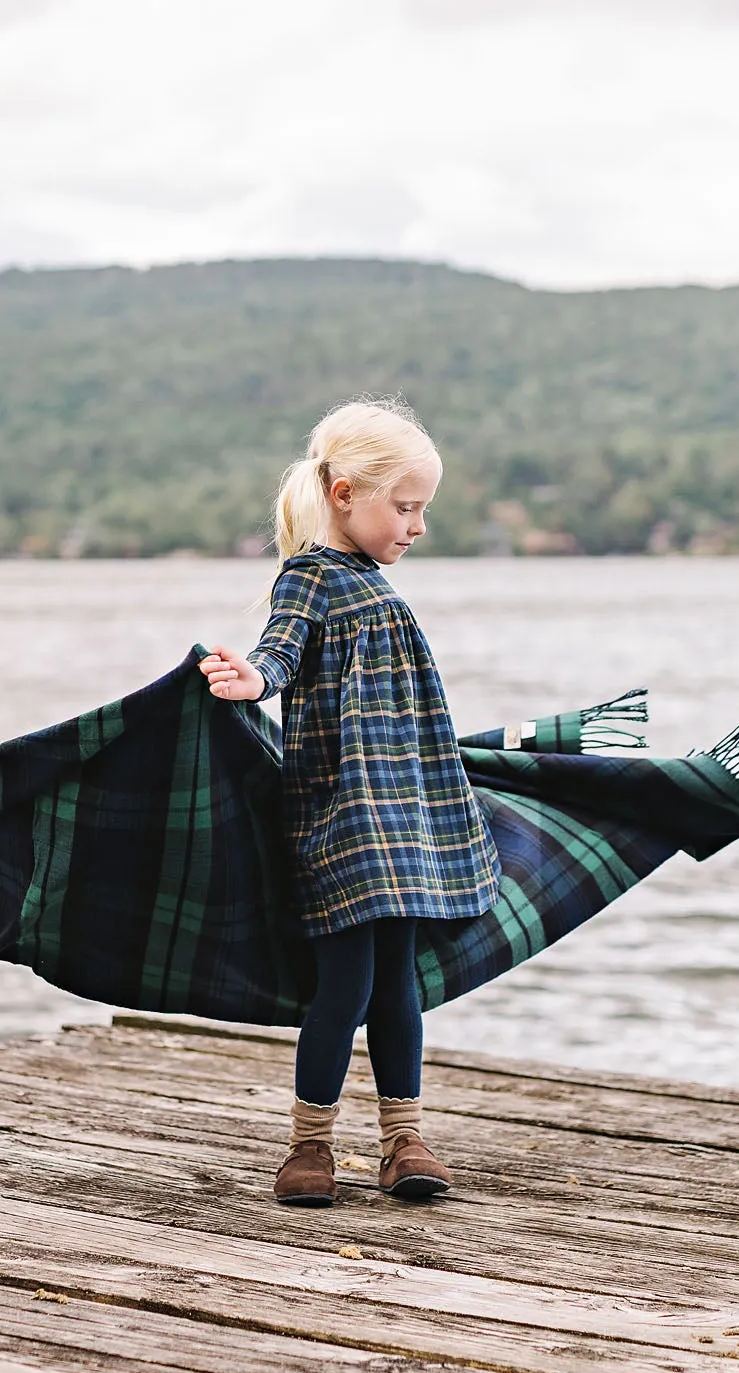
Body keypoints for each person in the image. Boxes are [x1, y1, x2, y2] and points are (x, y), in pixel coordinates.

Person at [197, 398, 499, 1207]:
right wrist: (253, 679)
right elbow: (280, 651)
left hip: (407, 813)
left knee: (398, 982)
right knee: (347, 987)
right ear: (343, 495)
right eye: (404, 506)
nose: (417, 525)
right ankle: (311, 1145)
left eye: (421, 509)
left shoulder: (371, 580)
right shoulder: (309, 576)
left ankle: (404, 1138)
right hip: (343, 821)